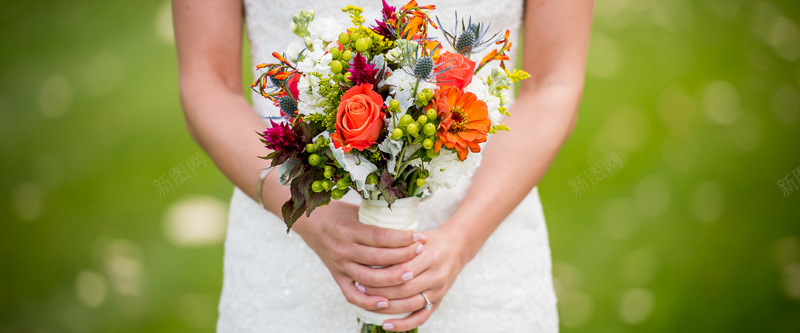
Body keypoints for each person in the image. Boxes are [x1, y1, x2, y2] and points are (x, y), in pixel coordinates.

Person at [172, 0, 593, 331]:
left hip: (487, 250)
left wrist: (462, 239)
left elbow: (553, 83)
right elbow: (208, 81)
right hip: (288, 250)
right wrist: (312, 221)